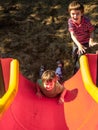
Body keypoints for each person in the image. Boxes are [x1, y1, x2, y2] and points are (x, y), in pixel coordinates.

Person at [68, 0, 98, 73]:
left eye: (77, 14)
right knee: (75, 55)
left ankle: (84, 69)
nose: (75, 16)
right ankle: (75, 68)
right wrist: (79, 45)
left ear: (82, 13)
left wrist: (91, 40)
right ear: (70, 13)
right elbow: (73, 35)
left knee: (83, 55)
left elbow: (91, 31)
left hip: (86, 41)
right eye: (73, 14)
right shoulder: (70, 21)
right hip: (77, 42)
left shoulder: (86, 22)